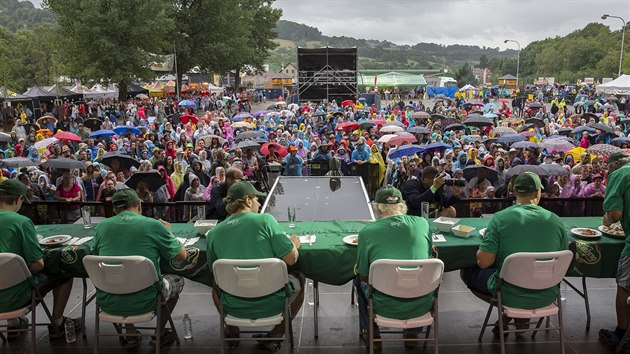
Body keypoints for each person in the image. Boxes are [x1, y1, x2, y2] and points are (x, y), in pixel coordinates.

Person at [461, 172, 568, 333]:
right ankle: (519, 319)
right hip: (547, 293)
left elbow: (484, 262)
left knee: (467, 270)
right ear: (538, 192)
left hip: (509, 294)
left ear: (514, 191)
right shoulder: (556, 221)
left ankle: (509, 313)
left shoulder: (500, 219)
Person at [206, 181, 304, 352]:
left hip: (232, 305)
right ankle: (277, 334)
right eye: (256, 199)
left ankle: (230, 327)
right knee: (300, 279)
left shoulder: (214, 233)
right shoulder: (265, 220)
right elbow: (291, 258)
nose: (259, 203)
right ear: (248, 200)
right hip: (273, 302)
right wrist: (294, 244)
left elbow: (213, 273)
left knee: (216, 284)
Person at [92, 188, 187, 349]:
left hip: (108, 300)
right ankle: (159, 333)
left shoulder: (101, 227)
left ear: (114, 209)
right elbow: (181, 255)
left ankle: (130, 334)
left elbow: (95, 255)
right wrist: (169, 233)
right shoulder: (153, 225)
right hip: (147, 300)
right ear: (139, 205)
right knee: (177, 281)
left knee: (121, 279)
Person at [353, 185, 433, 348]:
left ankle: (371, 332)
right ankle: (412, 332)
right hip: (422, 303)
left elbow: (363, 274)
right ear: (402, 205)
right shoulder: (423, 224)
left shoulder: (367, 232)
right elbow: (429, 256)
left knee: (357, 281)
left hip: (383, 304)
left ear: (377, 207)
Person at [0, 179, 81, 340]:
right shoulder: (21, 222)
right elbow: (37, 264)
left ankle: (14, 323)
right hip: (17, 296)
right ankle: (57, 322)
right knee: (63, 272)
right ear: (18, 199)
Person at [600, 151, 630, 348]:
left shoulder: (619, 175)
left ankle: (621, 334)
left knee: (625, 286)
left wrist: (607, 218)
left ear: (611, 167)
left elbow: (615, 214)